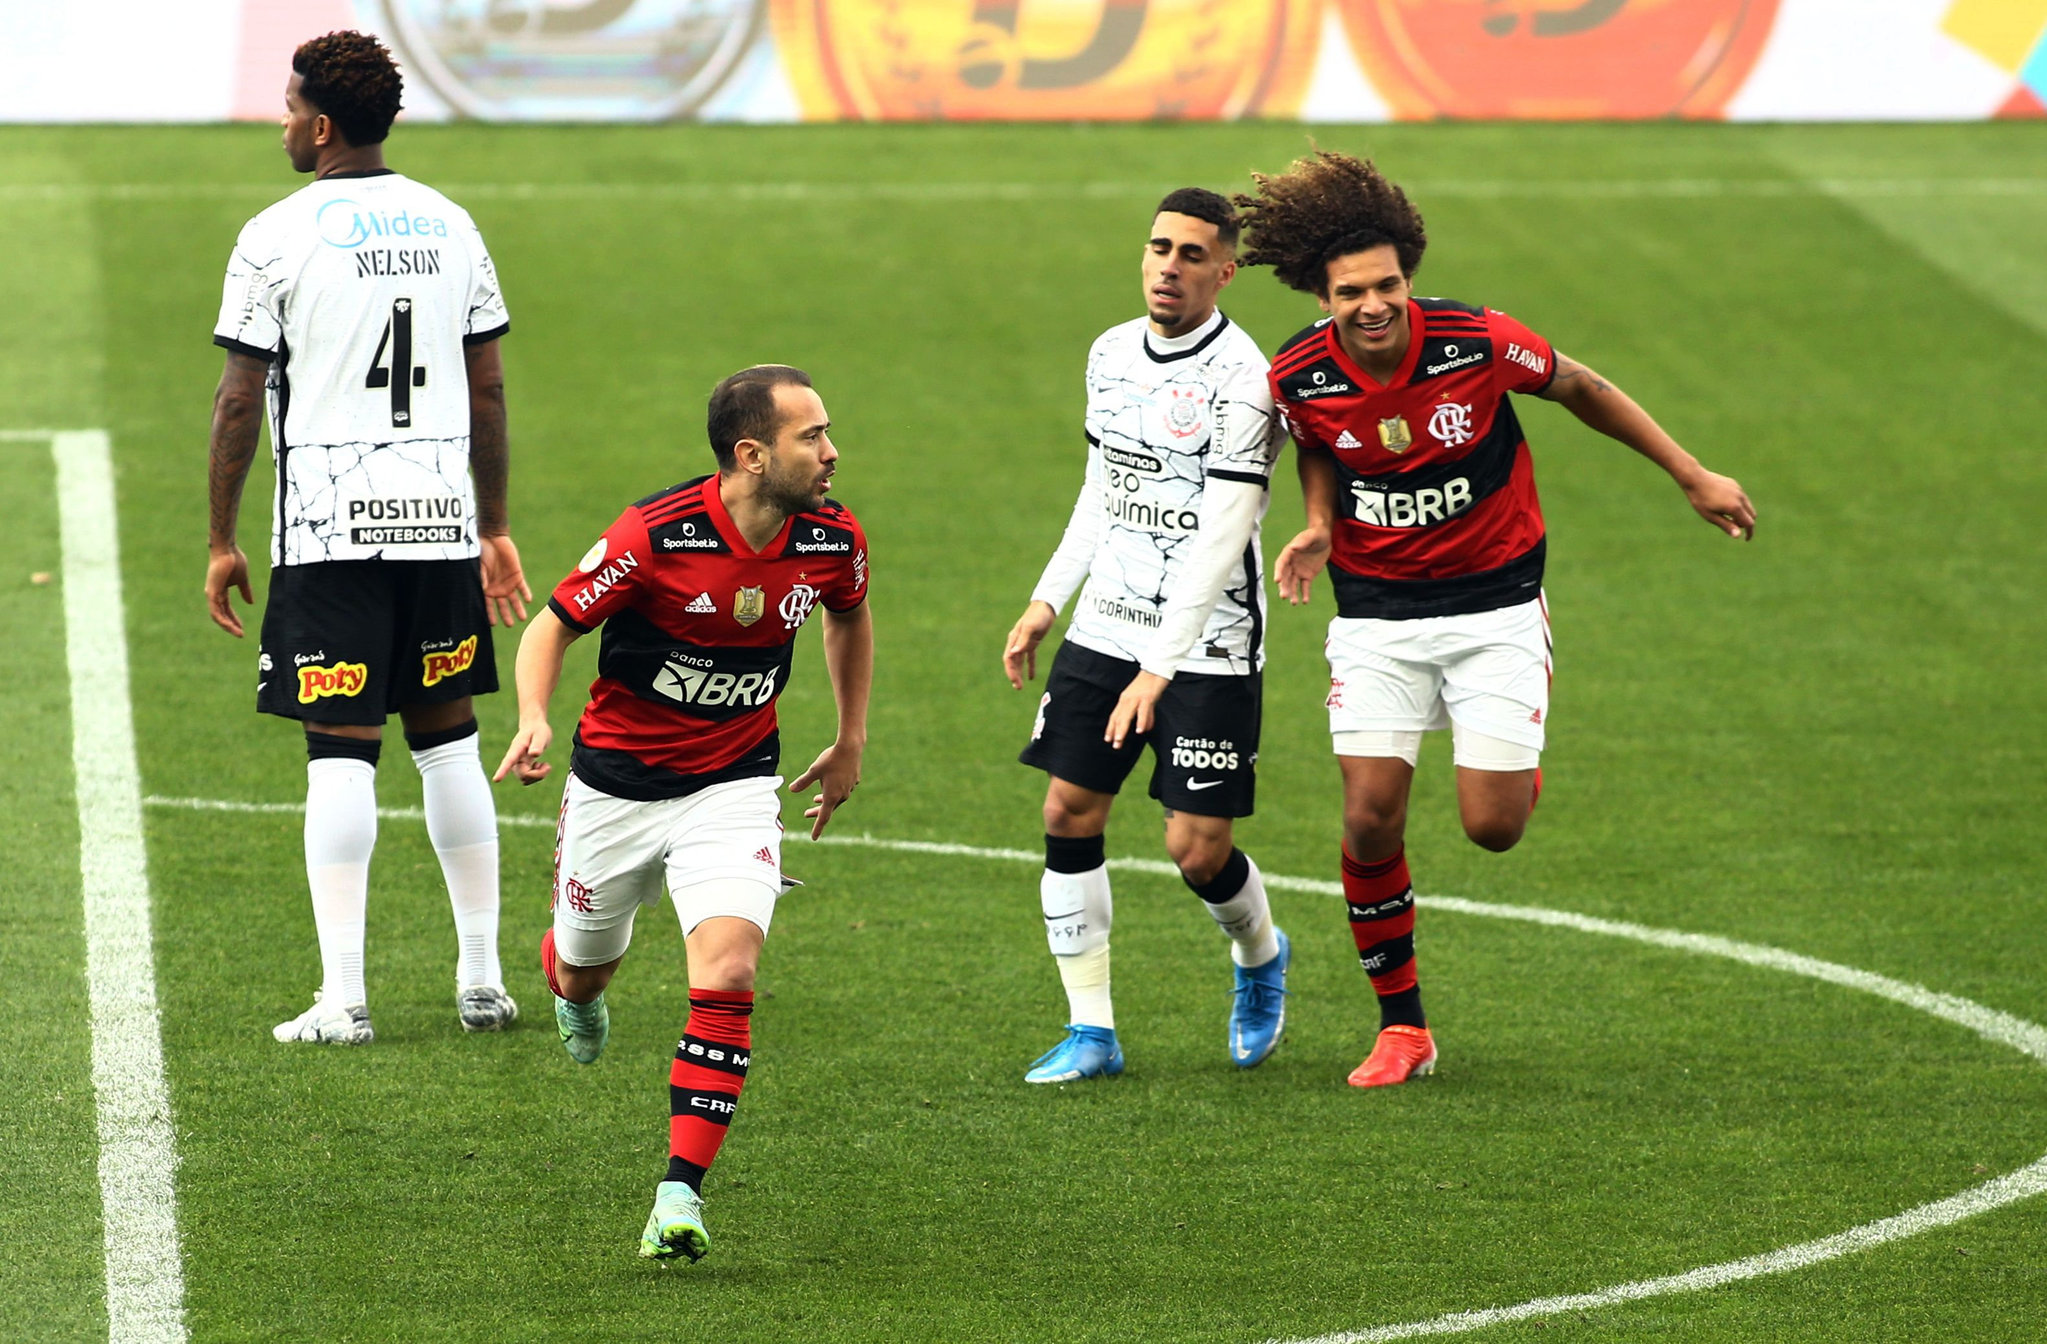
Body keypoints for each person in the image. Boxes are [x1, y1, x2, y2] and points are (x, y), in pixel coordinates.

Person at [1237, 150, 1756, 1087]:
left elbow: (1581, 387)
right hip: (1377, 613)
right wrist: (1317, 523)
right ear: (1321, 296)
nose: (1372, 304)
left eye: (1387, 285)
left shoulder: (1476, 340)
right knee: (1367, 817)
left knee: (1493, 827)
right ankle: (1403, 1028)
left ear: (1408, 277)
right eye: (1351, 291)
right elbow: (1316, 442)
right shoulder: (1298, 373)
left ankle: (1510, 755)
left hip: (1496, 603)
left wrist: (1690, 474)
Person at [494, 364, 871, 1263]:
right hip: (616, 789)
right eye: (811, 436)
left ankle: (679, 1193)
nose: (831, 452)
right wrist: (534, 715)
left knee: (730, 972)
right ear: (752, 455)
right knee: (584, 971)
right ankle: (569, 983)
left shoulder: (831, 537)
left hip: (734, 783)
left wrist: (850, 736)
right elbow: (551, 624)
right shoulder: (654, 534)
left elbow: (847, 616)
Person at [206, 30, 529, 1045]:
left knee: (340, 756)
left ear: (322, 126)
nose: (282, 124)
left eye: (289, 109)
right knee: (448, 743)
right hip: (437, 522)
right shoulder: (452, 225)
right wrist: (493, 523)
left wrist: (220, 538)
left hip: (328, 529)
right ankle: (483, 981)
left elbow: (237, 399)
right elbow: (487, 389)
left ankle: (343, 998)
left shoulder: (274, 234)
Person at [1002, 189, 1289, 1084]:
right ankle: (1091, 1030)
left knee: (1195, 850)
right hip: (1106, 625)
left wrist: (1158, 667)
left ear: (1224, 271)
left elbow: (1221, 538)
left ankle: (1259, 956)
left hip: (1209, 642)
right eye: (1158, 248)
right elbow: (1104, 487)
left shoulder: (1245, 380)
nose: (1169, 266)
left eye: (1191, 254)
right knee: (1067, 810)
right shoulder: (1110, 352)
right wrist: (1047, 599)